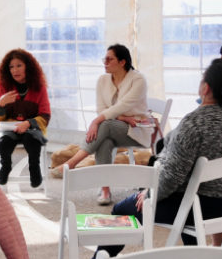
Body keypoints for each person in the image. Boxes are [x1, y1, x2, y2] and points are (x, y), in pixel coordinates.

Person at [83, 59, 222, 259]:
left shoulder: (194, 124)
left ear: (206, 88)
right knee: (188, 192)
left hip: (194, 208)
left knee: (122, 210)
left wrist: (148, 194)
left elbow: (170, 177)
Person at [52, 44, 149, 204]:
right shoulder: (102, 80)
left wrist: (98, 121)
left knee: (105, 126)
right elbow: (101, 110)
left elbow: (122, 106)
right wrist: (122, 118)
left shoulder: (138, 80)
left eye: (109, 59)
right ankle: (105, 190)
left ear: (122, 62)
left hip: (137, 130)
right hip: (118, 127)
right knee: (105, 140)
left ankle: (71, 164)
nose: (105, 62)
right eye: (104, 59)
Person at [0, 49, 51, 188]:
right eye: (11, 67)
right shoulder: (3, 87)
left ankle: (34, 168)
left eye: (19, 65)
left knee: (32, 140)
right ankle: (5, 167)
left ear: (27, 67)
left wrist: (28, 123)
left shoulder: (39, 88)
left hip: (32, 127)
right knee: (4, 141)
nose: (15, 70)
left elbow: (45, 115)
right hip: (9, 127)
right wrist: (1, 105)